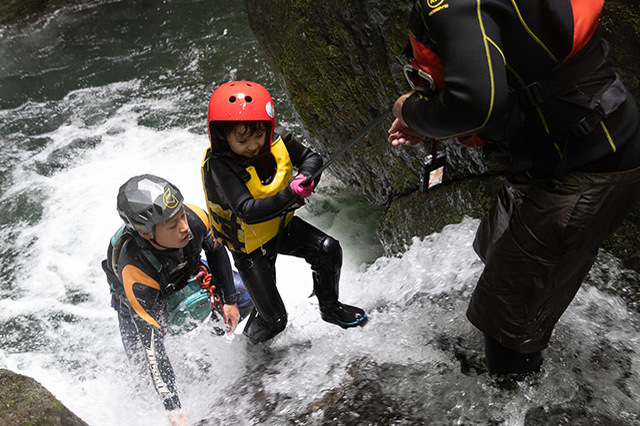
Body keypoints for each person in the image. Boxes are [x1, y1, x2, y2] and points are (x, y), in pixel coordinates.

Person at [388, 0, 640, 378]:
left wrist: (408, 111)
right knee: (494, 249)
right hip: (564, 149)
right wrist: (429, 119)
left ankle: (513, 396)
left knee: (503, 328)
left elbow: (476, 105)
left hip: (589, 163)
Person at [201, 80, 368, 343]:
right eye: (242, 140)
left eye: (258, 135)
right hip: (249, 246)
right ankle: (251, 350)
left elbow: (312, 159)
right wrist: (290, 193)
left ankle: (330, 308)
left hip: (279, 225)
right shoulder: (219, 167)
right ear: (222, 136)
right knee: (275, 319)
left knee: (328, 249)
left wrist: (307, 177)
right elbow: (246, 210)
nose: (254, 145)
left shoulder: (275, 138)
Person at [101, 174, 253, 425]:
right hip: (142, 294)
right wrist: (174, 410)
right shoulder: (135, 272)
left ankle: (211, 341)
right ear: (147, 234)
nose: (183, 226)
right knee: (144, 366)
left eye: (181, 215)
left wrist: (229, 300)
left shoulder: (194, 218)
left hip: (184, 270)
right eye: (172, 226)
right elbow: (153, 346)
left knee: (245, 295)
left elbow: (215, 251)